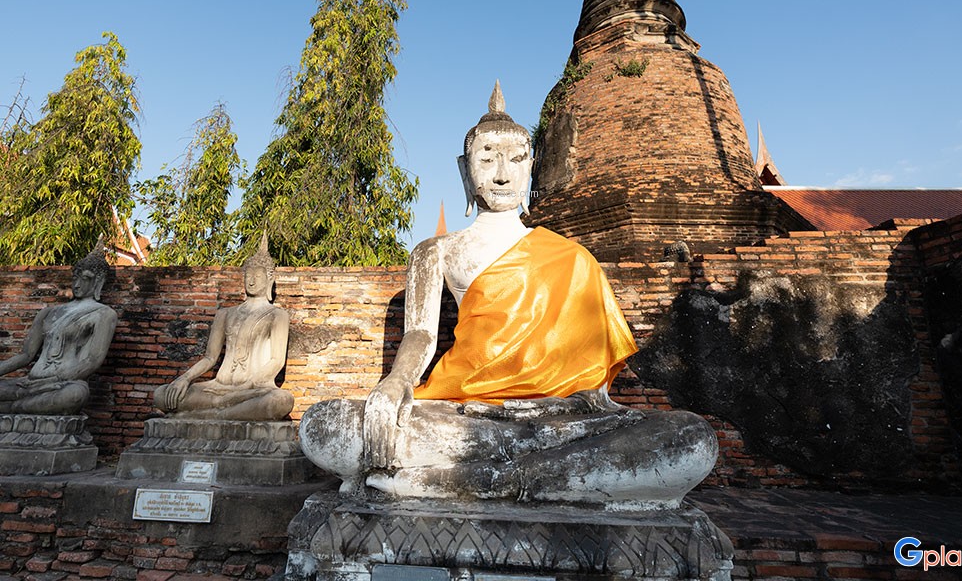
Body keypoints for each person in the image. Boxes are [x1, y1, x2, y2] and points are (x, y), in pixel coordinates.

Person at [300, 82, 717, 506]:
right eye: (487, 159)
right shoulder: (437, 251)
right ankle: (542, 477)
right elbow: (421, 334)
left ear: (530, 167)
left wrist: (569, 409)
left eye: (516, 159)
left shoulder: (572, 258)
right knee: (326, 426)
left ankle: (489, 479)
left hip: (558, 418)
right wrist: (397, 381)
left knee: (689, 438)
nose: (502, 174)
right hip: (465, 414)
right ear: (464, 170)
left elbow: (589, 375)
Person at [153, 234, 293, 421]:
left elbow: (276, 360)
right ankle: (223, 410)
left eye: (258, 276)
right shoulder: (225, 314)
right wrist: (184, 378)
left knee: (281, 401)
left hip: (252, 389)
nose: (251, 281)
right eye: (248, 276)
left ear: (269, 280)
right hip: (217, 387)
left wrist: (247, 387)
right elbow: (210, 358)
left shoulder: (277, 315)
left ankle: (211, 414)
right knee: (162, 395)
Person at [0, 246, 117, 415]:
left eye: (85, 278)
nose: (77, 284)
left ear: (98, 281)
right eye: (75, 277)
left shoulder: (104, 314)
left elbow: (92, 360)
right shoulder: (49, 312)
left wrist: (55, 379)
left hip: (62, 384)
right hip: (29, 383)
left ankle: (13, 408)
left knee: (75, 395)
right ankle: (24, 406)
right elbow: (26, 355)